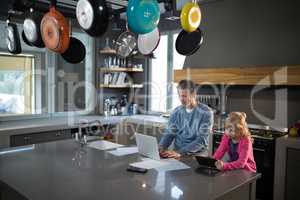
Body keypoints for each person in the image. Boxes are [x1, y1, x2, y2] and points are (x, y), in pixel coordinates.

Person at [159, 80, 214, 159]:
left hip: (197, 154)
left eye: (184, 96)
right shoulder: (176, 111)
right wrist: (161, 147)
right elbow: (169, 133)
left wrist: (180, 153)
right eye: (180, 96)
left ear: (193, 95)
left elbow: (201, 140)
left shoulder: (206, 112)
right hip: (177, 152)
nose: (181, 99)